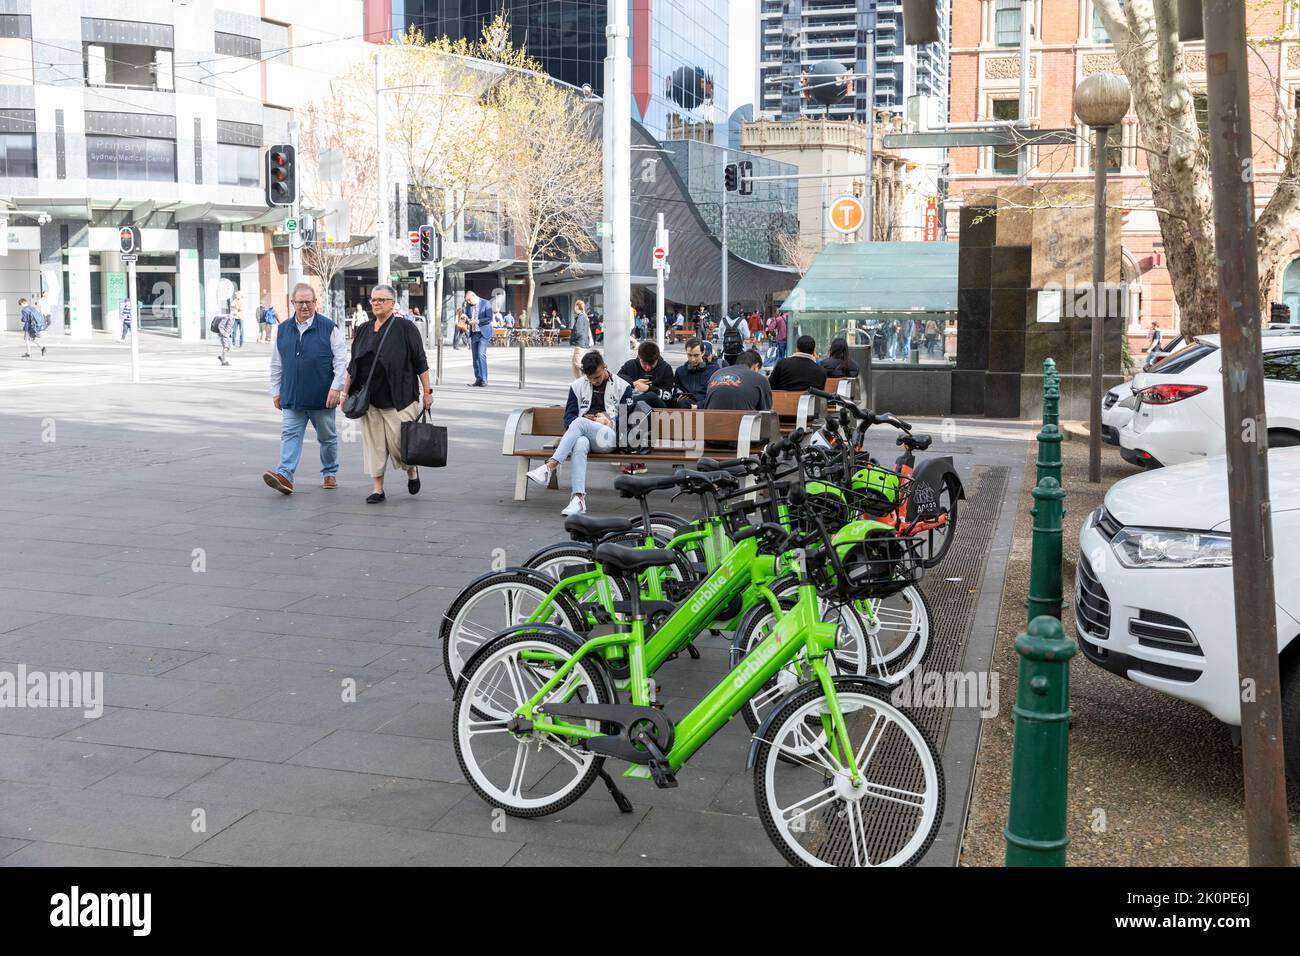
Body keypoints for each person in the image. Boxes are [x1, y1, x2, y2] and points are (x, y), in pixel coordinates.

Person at [343, 283, 433, 503]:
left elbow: (420, 361)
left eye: (380, 300)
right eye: (373, 300)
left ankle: (411, 470)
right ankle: (378, 489)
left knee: (400, 444)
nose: (375, 303)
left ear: (392, 304)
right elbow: (353, 365)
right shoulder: (363, 329)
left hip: (399, 397)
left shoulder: (405, 328)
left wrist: (427, 391)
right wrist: (345, 393)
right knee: (374, 446)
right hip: (369, 399)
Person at [524, 350, 632, 516]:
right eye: (589, 379)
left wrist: (608, 421)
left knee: (580, 422)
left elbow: (627, 422)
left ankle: (550, 466)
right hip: (585, 437)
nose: (593, 382)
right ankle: (578, 499)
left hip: (610, 438)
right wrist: (586, 421)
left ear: (605, 367)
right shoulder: (577, 386)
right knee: (580, 442)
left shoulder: (622, 386)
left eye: (596, 377)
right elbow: (568, 419)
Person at [263, 283, 347, 495]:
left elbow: (341, 362)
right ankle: (285, 476)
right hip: (293, 396)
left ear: (315, 303)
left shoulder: (329, 328)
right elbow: (276, 364)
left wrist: (337, 388)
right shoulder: (283, 330)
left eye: (308, 302)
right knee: (290, 434)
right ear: (292, 303)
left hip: (322, 397)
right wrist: (276, 391)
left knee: (327, 438)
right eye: (300, 302)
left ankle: (329, 472)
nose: (304, 306)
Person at [704, 349, 772, 412]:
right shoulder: (760, 379)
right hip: (742, 423)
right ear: (755, 366)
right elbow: (765, 412)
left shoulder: (716, 374)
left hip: (710, 421)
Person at [617, 339, 675, 407]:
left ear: (657, 358)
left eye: (652, 364)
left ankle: (627, 403)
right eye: (644, 364)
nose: (648, 368)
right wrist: (633, 383)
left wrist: (648, 388)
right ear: (639, 357)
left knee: (651, 396)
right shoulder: (630, 365)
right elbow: (618, 378)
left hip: (658, 407)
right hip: (633, 408)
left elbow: (668, 395)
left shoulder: (666, 368)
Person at [672, 337, 718, 409]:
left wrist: (698, 405)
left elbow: (716, 395)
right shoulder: (680, 371)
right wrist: (677, 399)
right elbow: (675, 394)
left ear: (702, 353)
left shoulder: (714, 370)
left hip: (706, 407)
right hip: (685, 406)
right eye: (689, 355)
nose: (692, 359)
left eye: (696, 355)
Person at [463, 290, 493, 387]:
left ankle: (484, 380)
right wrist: (466, 318)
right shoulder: (468, 306)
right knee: (475, 357)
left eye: (469, 300)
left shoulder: (486, 303)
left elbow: (489, 318)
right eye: (467, 301)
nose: (468, 302)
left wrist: (477, 321)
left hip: (484, 333)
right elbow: (468, 318)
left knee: (481, 354)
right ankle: (478, 379)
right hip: (474, 333)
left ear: (473, 296)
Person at [570, 299, 592, 379]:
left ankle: (589, 376)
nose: (574, 308)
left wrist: (574, 339)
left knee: (577, 363)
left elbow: (578, 331)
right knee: (574, 363)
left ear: (577, 306)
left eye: (574, 306)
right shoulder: (584, 317)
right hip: (583, 342)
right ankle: (578, 381)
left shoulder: (580, 317)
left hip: (580, 343)